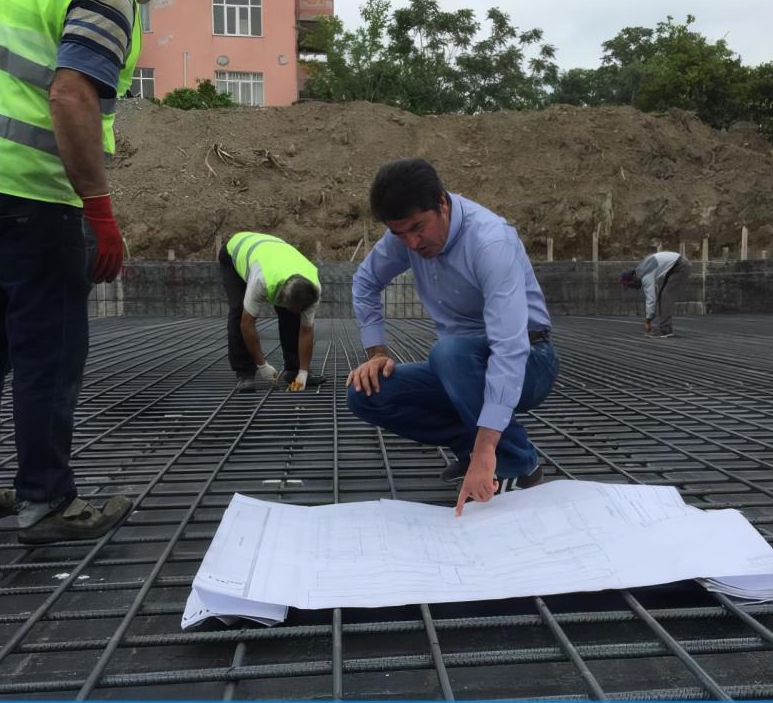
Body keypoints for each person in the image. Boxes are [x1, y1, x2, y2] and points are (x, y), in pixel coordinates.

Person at [0, 0, 213, 544]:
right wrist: (100, 210)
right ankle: (47, 500)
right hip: (34, 196)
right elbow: (71, 94)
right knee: (49, 354)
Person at [347, 159, 559, 516]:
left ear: (442, 203)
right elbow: (365, 281)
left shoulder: (490, 241)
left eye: (418, 228)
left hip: (530, 359)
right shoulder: (406, 236)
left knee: (448, 354)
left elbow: (509, 347)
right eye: (400, 234)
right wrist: (376, 353)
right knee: (365, 393)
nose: (412, 243)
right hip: (459, 367)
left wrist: (488, 448)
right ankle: (471, 449)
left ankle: (517, 464)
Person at [218, 232, 325, 392]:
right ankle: (245, 373)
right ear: (281, 295)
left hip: (272, 250)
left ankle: (294, 370)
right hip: (235, 252)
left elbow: (306, 330)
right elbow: (247, 324)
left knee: (292, 316)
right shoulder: (261, 280)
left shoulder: (313, 288)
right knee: (239, 311)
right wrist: (262, 365)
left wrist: (303, 372)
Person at [620, 244, 692, 338]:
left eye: (631, 286)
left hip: (681, 266)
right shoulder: (641, 270)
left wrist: (647, 320)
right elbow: (655, 292)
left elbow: (651, 300)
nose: (634, 288)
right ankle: (665, 327)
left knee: (666, 296)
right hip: (676, 264)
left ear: (632, 280)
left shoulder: (645, 276)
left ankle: (665, 329)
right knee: (663, 295)